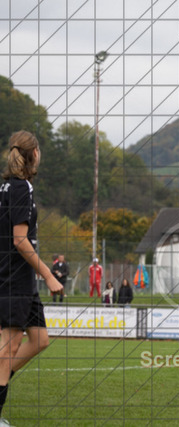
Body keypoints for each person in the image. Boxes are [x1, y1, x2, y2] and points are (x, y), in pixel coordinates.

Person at [0, 130, 64, 426]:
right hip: (14, 279)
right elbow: (20, 240)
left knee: (39, 340)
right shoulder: (20, 188)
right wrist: (48, 274)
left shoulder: (9, 187)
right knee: (8, 348)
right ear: (34, 153)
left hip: (20, 279)